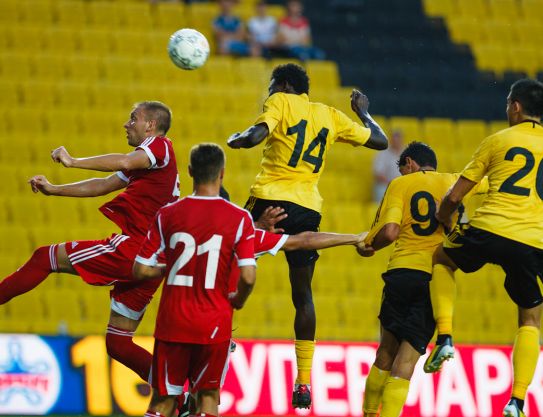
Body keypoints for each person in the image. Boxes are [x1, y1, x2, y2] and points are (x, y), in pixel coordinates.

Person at [227, 63, 388, 409]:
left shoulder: (281, 102)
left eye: (272, 87)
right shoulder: (329, 115)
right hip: (307, 208)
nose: (269, 93)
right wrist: (364, 114)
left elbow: (255, 136)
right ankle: (303, 383)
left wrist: (238, 140)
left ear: (284, 85)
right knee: (303, 295)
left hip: (268, 198)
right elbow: (380, 140)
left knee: (227, 255)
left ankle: (222, 333)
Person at [0, 101, 179, 387]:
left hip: (135, 249)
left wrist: (73, 161)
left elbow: (122, 161)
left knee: (45, 257)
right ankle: (177, 391)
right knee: (119, 343)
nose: (126, 124)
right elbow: (104, 184)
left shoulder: (160, 146)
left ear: (151, 126)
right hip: (154, 260)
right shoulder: (148, 161)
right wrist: (54, 190)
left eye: (133, 118)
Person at [427, 78, 543, 417]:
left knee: (442, 258)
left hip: (490, 227)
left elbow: (454, 195)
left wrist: (444, 217)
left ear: (516, 107)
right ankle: (517, 402)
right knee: (531, 317)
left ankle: (445, 338)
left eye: (509, 103)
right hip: (533, 240)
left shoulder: (497, 140)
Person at [133, 143, 257, 417]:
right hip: (215, 323)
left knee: (163, 401)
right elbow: (248, 276)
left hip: (173, 322)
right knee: (208, 399)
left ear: (190, 171)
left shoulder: (167, 214)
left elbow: (140, 270)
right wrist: (238, 300)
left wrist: (169, 269)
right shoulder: (240, 219)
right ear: (222, 173)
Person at [357, 142, 471, 417]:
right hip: (433, 278)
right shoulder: (453, 183)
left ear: (409, 163)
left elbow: (391, 232)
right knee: (405, 365)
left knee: (385, 353)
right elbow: (461, 233)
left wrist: (368, 245)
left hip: (400, 273)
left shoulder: (400, 185)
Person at [372, 129, 403, 202]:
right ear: (391, 140)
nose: (396, 142)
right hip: (387, 184)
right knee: (381, 189)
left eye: (398, 139)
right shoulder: (382, 153)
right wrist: (391, 184)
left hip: (403, 184)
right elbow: (378, 173)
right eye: (394, 139)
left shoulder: (406, 153)